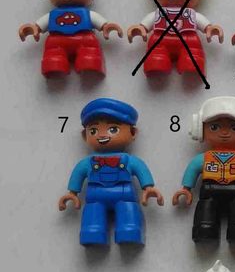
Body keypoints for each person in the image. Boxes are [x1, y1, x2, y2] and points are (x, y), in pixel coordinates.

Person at [58, 98, 163, 246]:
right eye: (93, 131)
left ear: (133, 133)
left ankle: (129, 232)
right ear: (85, 136)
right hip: (95, 197)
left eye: (113, 129)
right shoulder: (87, 163)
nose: (102, 135)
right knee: (92, 224)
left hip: (124, 195)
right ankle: (92, 234)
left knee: (129, 220)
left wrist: (148, 187)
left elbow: (141, 170)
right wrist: (72, 193)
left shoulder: (130, 160)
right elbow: (78, 174)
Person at [173, 96, 235, 243]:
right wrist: (186, 189)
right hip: (209, 193)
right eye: (214, 127)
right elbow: (193, 169)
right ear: (199, 129)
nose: (225, 133)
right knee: (204, 223)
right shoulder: (204, 158)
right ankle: (204, 231)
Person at [18, 0, 122, 76]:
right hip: (56, 41)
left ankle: (90, 64)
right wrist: (35, 28)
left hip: (85, 39)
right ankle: (54, 65)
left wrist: (106, 26)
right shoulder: (52, 15)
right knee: (53, 55)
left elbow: (100, 23)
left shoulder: (87, 14)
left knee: (90, 53)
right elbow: (40, 25)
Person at [127, 0, 223, 75]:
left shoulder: (191, 14)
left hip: (189, 40)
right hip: (160, 40)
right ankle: (156, 63)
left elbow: (202, 22)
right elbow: (148, 22)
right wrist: (141, 28)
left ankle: (191, 64)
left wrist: (209, 28)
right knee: (155, 57)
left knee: (192, 58)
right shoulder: (158, 13)